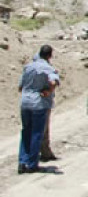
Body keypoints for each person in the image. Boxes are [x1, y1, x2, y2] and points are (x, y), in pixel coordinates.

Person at [19, 45, 60, 174]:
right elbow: (54, 82)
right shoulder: (48, 68)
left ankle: (22, 162)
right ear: (49, 56)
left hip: (25, 102)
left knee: (26, 132)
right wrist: (48, 91)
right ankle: (32, 164)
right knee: (37, 133)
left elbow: (20, 87)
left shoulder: (28, 67)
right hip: (39, 104)